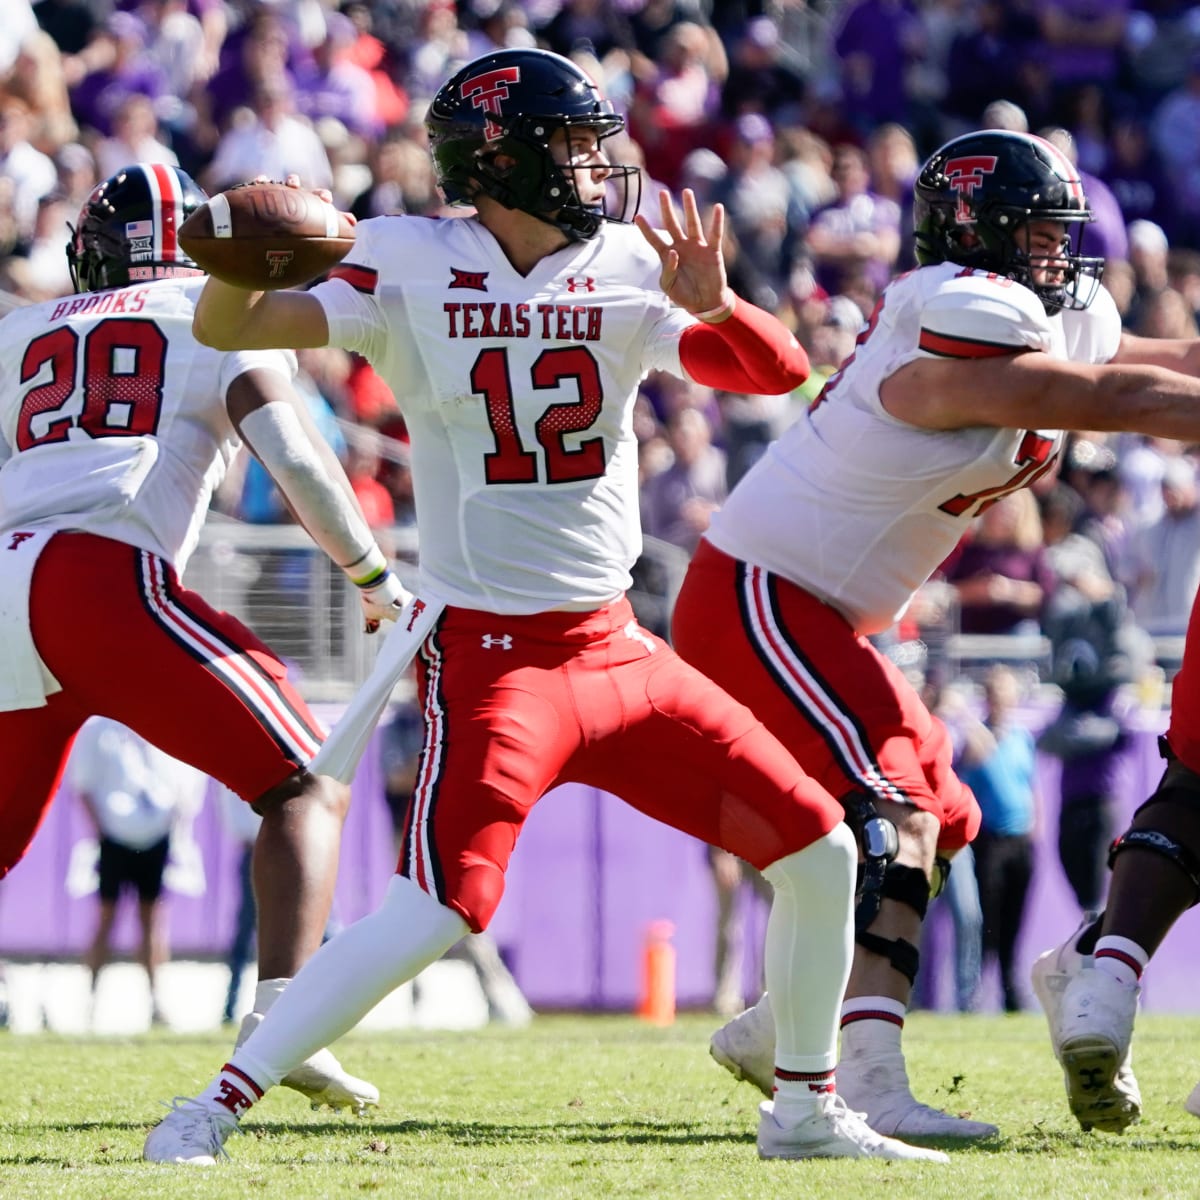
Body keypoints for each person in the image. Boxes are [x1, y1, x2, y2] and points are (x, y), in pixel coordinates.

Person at [143, 47, 947, 1167]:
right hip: (494, 659)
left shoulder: (622, 259)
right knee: (436, 908)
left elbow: (767, 375)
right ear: (503, 161)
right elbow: (232, 331)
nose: (593, 165)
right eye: (569, 146)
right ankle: (211, 1108)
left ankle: (805, 1112)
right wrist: (241, 265)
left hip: (617, 647)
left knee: (819, 848)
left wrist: (718, 302)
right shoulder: (404, 259)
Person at [669, 127, 1200, 1142]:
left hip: (818, 606)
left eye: (1060, 237)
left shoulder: (1036, 308)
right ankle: (859, 1076)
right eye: (1038, 237)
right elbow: (1107, 397)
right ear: (978, 235)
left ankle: (785, 1018)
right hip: (759, 592)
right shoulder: (950, 310)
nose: (1060, 259)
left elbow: (1162, 359)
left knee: (946, 808)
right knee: (902, 808)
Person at [0, 162, 411, 1112]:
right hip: (101, 578)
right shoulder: (211, 309)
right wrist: (373, 579)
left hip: (13, 577)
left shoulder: (20, 329)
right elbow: (295, 454)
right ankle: (286, 1025)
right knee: (305, 779)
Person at [66, 715, 208, 1027]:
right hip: (114, 836)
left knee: (152, 919)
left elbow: (180, 781)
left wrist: (172, 823)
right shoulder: (99, 729)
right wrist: (103, 833)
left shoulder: (158, 723)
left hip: (156, 835)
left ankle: (157, 1001)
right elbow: (84, 785)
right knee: (106, 918)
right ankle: (89, 1001)